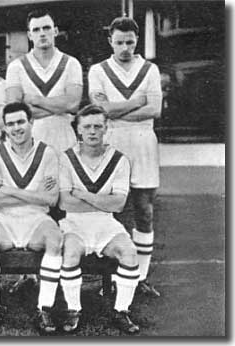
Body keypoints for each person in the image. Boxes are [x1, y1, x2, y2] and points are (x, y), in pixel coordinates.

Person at [88, 17, 162, 297]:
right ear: (110, 41)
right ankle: (110, 278)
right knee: (108, 211)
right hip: (111, 143)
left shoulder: (150, 69)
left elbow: (155, 110)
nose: (125, 47)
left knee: (144, 210)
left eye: (130, 42)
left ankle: (140, 275)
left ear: (137, 40)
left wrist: (115, 109)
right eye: (119, 42)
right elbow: (99, 111)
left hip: (143, 141)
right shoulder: (98, 70)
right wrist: (136, 102)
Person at [0, 102, 61, 335]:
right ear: (4, 128)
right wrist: (35, 195)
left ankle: (44, 307)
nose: (16, 128)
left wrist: (10, 191)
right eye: (10, 124)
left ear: (31, 122)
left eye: (21, 122)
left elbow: (51, 200)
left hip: (37, 218)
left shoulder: (48, 153)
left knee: (54, 238)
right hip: (5, 219)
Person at [58, 104, 140, 334]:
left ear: (106, 128)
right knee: (71, 252)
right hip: (73, 222)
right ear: (78, 130)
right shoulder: (66, 158)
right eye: (87, 127)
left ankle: (121, 310)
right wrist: (102, 198)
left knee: (130, 252)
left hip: (105, 223)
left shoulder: (119, 160)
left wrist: (82, 194)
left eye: (97, 126)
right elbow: (65, 203)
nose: (92, 131)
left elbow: (118, 204)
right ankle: (74, 309)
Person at [6, 10, 82, 152]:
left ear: (56, 31)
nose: (42, 33)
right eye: (36, 29)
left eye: (46, 28)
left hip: (64, 137)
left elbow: (72, 104)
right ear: (29, 35)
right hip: (30, 139)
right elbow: (14, 111)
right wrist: (59, 106)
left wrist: (35, 100)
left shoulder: (71, 63)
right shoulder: (15, 67)